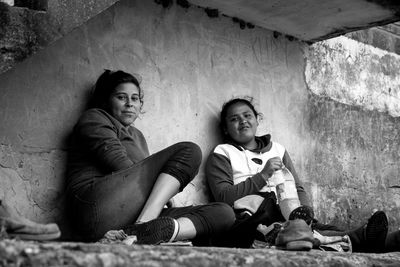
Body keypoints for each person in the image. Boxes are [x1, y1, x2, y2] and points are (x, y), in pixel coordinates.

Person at [206, 97, 398, 252]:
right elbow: (223, 197)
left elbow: (297, 188)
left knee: (323, 228)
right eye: (234, 119)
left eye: (247, 115)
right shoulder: (222, 152)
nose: (242, 121)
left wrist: (305, 216)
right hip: (252, 217)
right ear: (225, 128)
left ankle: (374, 240)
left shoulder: (278, 150)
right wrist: (262, 175)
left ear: (257, 120)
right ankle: (368, 240)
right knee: (275, 220)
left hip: (288, 212)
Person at [65, 69, 235, 244]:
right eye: (121, 97)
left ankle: (144, 234)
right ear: (106, 100)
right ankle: (144, 226)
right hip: (96, 209)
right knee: (189, 151)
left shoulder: (138, 136)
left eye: (135, 98)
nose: (130, 104)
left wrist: (161, 197)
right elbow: (121, 166)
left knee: (223, 213)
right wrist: (165, 195)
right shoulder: (95, 117)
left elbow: (142, 182)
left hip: (130, 217)